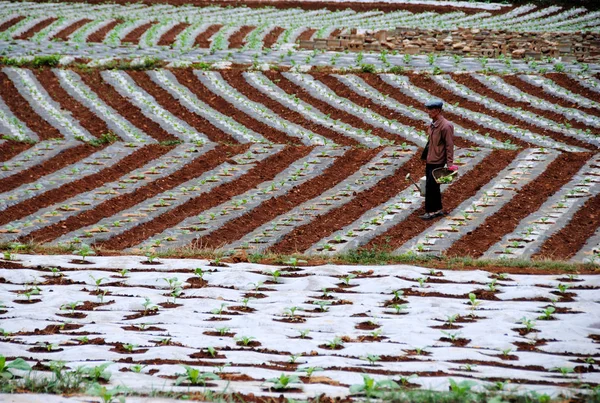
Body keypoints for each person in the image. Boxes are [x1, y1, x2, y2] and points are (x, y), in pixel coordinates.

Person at [419, 100, 458, 220]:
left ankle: (431, 212)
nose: (428, 112)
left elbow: (449, 145)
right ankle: (438, 209)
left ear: (437, 110)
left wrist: (450, 163)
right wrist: (424, 156)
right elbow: (430, 142)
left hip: (438, 160)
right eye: (428, 110)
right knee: (434, 186)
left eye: (430, 110)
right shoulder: (433, 124)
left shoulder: (446, 126)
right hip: (431, 159)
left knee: (431, 187)